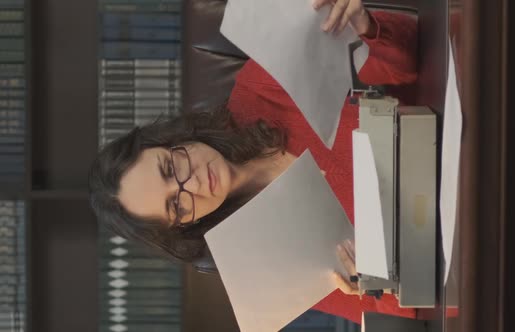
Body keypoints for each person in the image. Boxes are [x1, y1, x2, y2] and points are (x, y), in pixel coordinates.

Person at [89, 0, 418, 325]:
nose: (193, 184)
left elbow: (413, 62)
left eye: (170, 168)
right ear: (183, 226)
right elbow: (413, 305)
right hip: (444, 244)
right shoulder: (267, 261)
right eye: (176, 205)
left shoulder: (264, 84)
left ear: (172, 139)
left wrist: (367, 27)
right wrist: (371, 286)